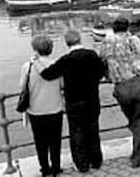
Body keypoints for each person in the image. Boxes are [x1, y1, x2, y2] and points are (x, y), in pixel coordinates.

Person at [35, 29, 105, 173]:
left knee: (77, 132)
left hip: (74, 101)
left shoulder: (66, 60)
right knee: (93, 129)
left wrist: (35, 62)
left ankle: (81, 164)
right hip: (92, 99)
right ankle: (96, 160)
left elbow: (47, 74)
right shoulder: (92, 55)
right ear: (80, 40)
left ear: (67, 43)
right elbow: (100, 73)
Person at [99, 17, 140, 168]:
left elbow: (101, 60)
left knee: (134, 122)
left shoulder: (107, 42)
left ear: (114, 28)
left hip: (121, 85)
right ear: (127, 28)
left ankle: (139, 155)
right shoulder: (135, 40)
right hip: (138, 82)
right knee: (139, 121)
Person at [19, 35, 64, 177]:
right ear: (51, 48)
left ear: (35, 49)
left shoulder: (28, 66)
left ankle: (45, 168)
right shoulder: (57, 64)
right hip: (55, 108)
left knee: (40, 142)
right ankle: (56, 167)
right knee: (55, 141)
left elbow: (22, 86)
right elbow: (62, 85)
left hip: (35, 110)